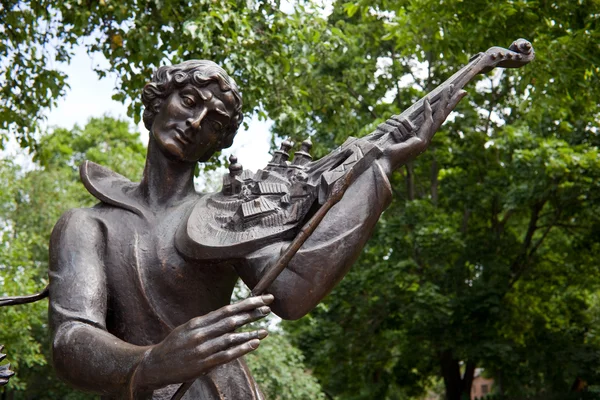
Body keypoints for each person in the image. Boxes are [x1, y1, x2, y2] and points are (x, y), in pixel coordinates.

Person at [48, 60, 464, 399]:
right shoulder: (87, 224)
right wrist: (150, 362)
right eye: (189, 101)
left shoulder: (223, 217)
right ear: (158, 102)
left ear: (218, 143)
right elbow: (71, 339)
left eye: (213, 123)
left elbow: (293, 292)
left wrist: (377, 172)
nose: (195, 123)